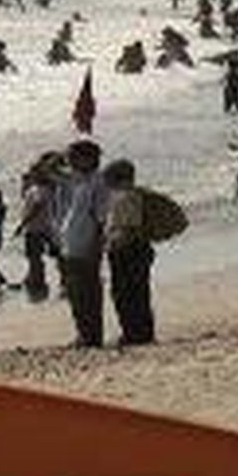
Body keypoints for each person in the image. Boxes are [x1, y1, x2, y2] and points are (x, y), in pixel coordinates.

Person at [55, 139, 107, 347]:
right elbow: (41, 171)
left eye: (73, 158)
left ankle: (91, 336)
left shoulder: (98, 182)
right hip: (70, 245)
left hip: (86, 246)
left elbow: (101, 219)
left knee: (88, 293)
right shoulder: (78, 180)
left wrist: (96, 247)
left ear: (88, 159)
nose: (69, 162)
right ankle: (84, 334)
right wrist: (60, 156)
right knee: (76, 293)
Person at [102, 159, 155, 345]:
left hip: (128, 250)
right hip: (135, 249)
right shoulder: (129, 195)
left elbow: (129, 229)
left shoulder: (125, 197)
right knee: (138, 292)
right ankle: (140, 332)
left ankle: (134, 333)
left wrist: (112, 244)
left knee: (126, 293)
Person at [14, 159, 60, 300]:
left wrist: (22, 224)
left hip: (35, 228)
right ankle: (34, 278)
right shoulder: (48, 189)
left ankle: (37, 280)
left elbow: (36, 207)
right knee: (43, 255)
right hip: (48, 227)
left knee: (34, 256)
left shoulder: (39, 190)